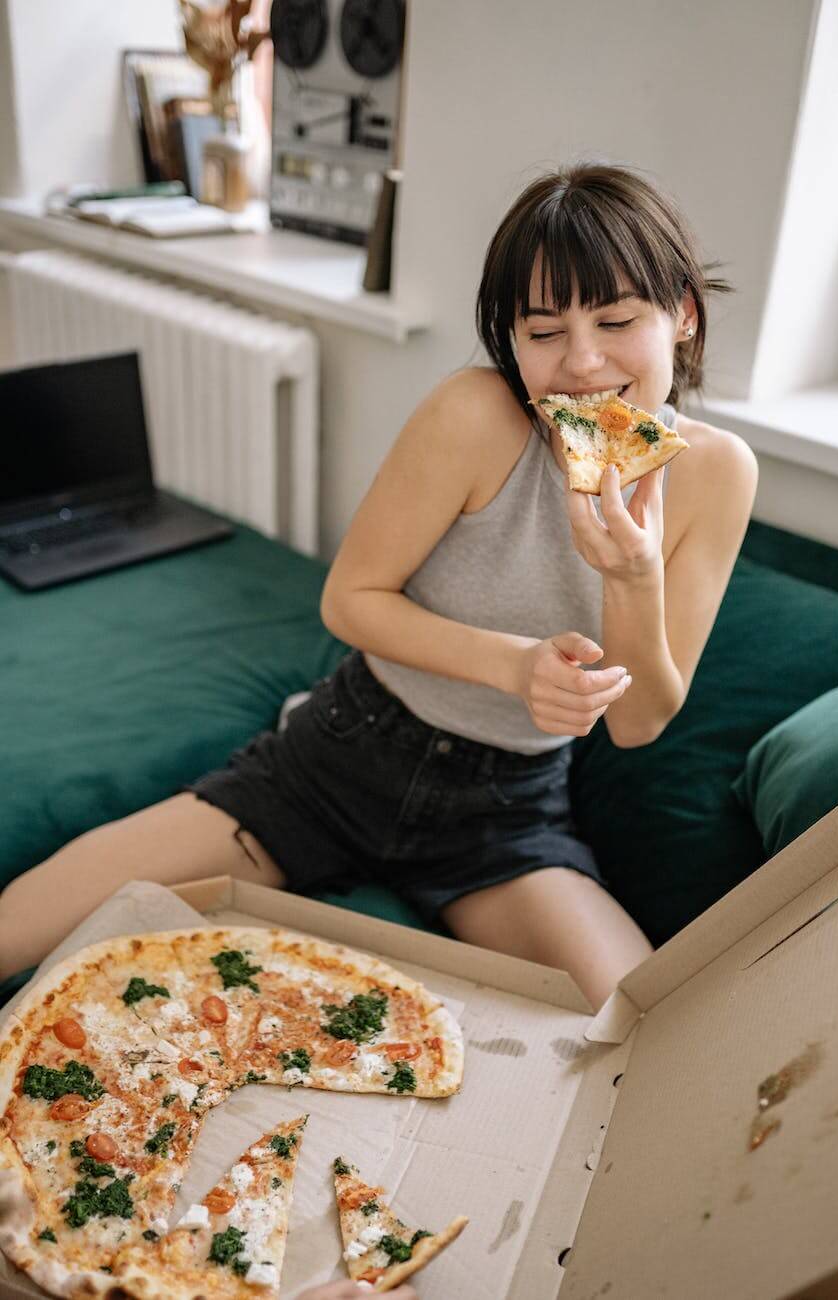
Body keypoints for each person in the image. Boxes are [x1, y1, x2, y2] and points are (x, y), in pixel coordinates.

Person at [0, 163, 757, 1009]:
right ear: (509, 337)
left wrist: (630, 577)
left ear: (682, 315)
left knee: (632, 1017)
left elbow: (639, 720)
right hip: (339, 758)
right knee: (20, 927)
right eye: (542, 331)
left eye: (616, 320)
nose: (581, 364)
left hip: (504, 815)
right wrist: (514, 665)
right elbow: (350, 601)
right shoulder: (474, 414)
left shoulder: (717, 473)